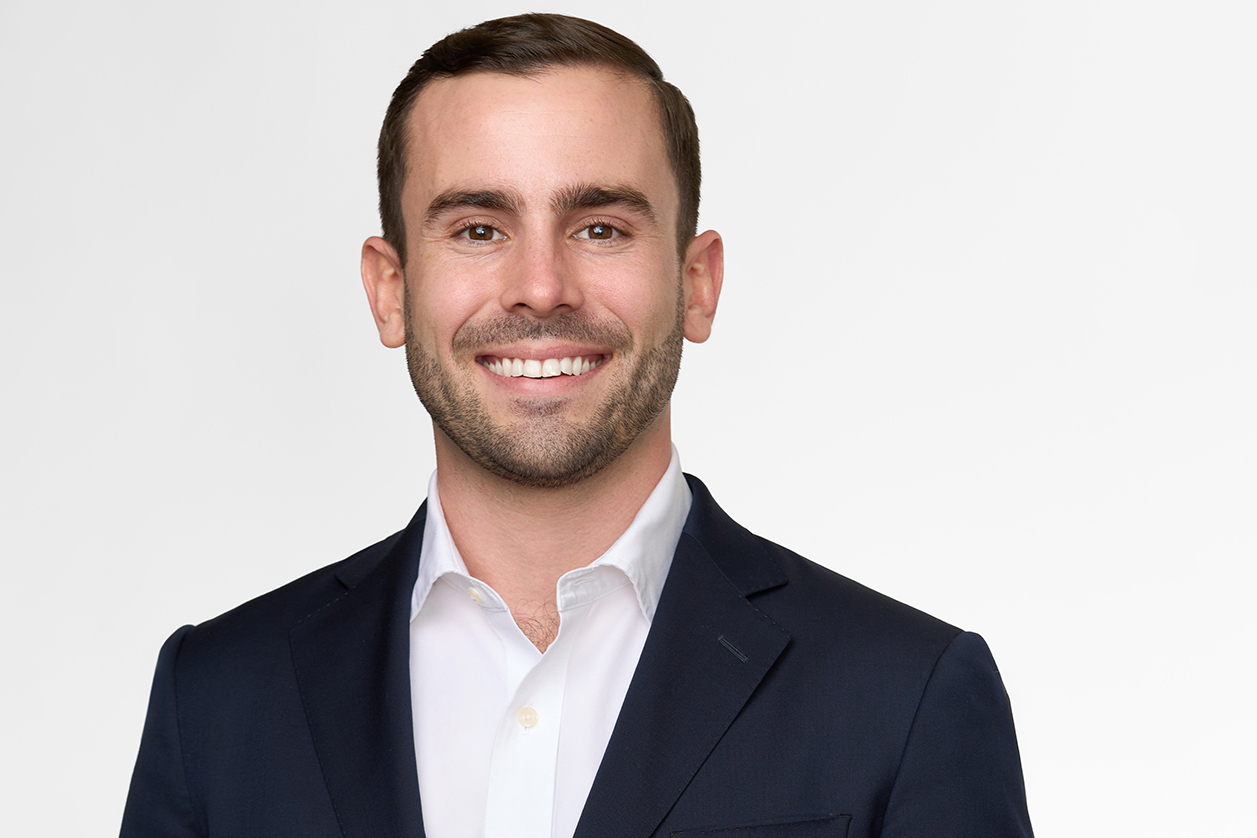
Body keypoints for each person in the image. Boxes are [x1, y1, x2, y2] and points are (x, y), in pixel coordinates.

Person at [121, 13, 1033, 838]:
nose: (541, 287)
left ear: (696, 284)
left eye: (599, 228)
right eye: (478, 229)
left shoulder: (903, 698)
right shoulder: (218, 700)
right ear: (389, 291)